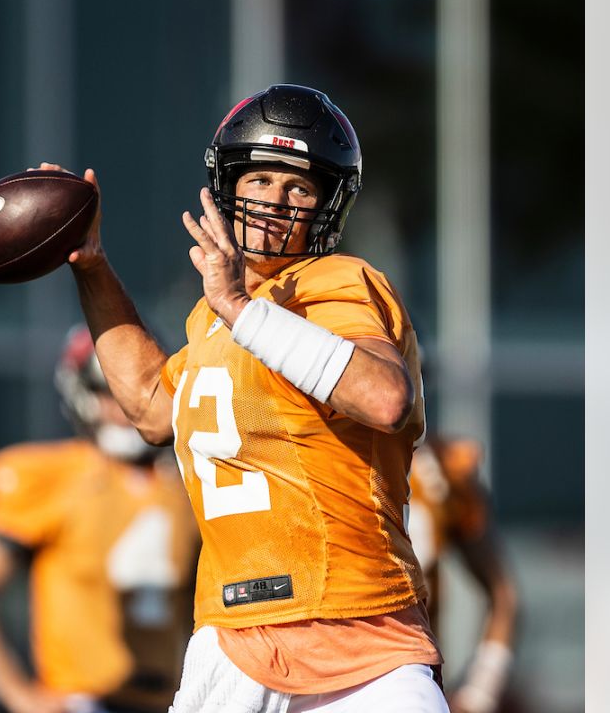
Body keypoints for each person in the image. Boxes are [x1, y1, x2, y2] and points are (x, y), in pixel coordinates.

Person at [50, 84, 447, 711]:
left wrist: (239, 307)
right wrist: (92, 267)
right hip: (230, 640)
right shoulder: (211, 322)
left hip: (359, 634)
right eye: (260, 179)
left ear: (327, 205)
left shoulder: (333, 281)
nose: (275, 201)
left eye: (299, 187)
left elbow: (384, 395)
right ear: (228, 187)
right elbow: (152, 405)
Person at [0, 325, 199, 713]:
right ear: (81, 393)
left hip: (171, 701)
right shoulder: (57, 475)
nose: (122, 408)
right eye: (109, 392)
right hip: (81, 700)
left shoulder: (188, 484)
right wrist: (17, 693)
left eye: (134, 389)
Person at [408, 437, 518, 713]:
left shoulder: (441, 470)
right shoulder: (306, 453)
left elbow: (503, 595)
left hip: (410, 678)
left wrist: (478, 696)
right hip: (316, 672)